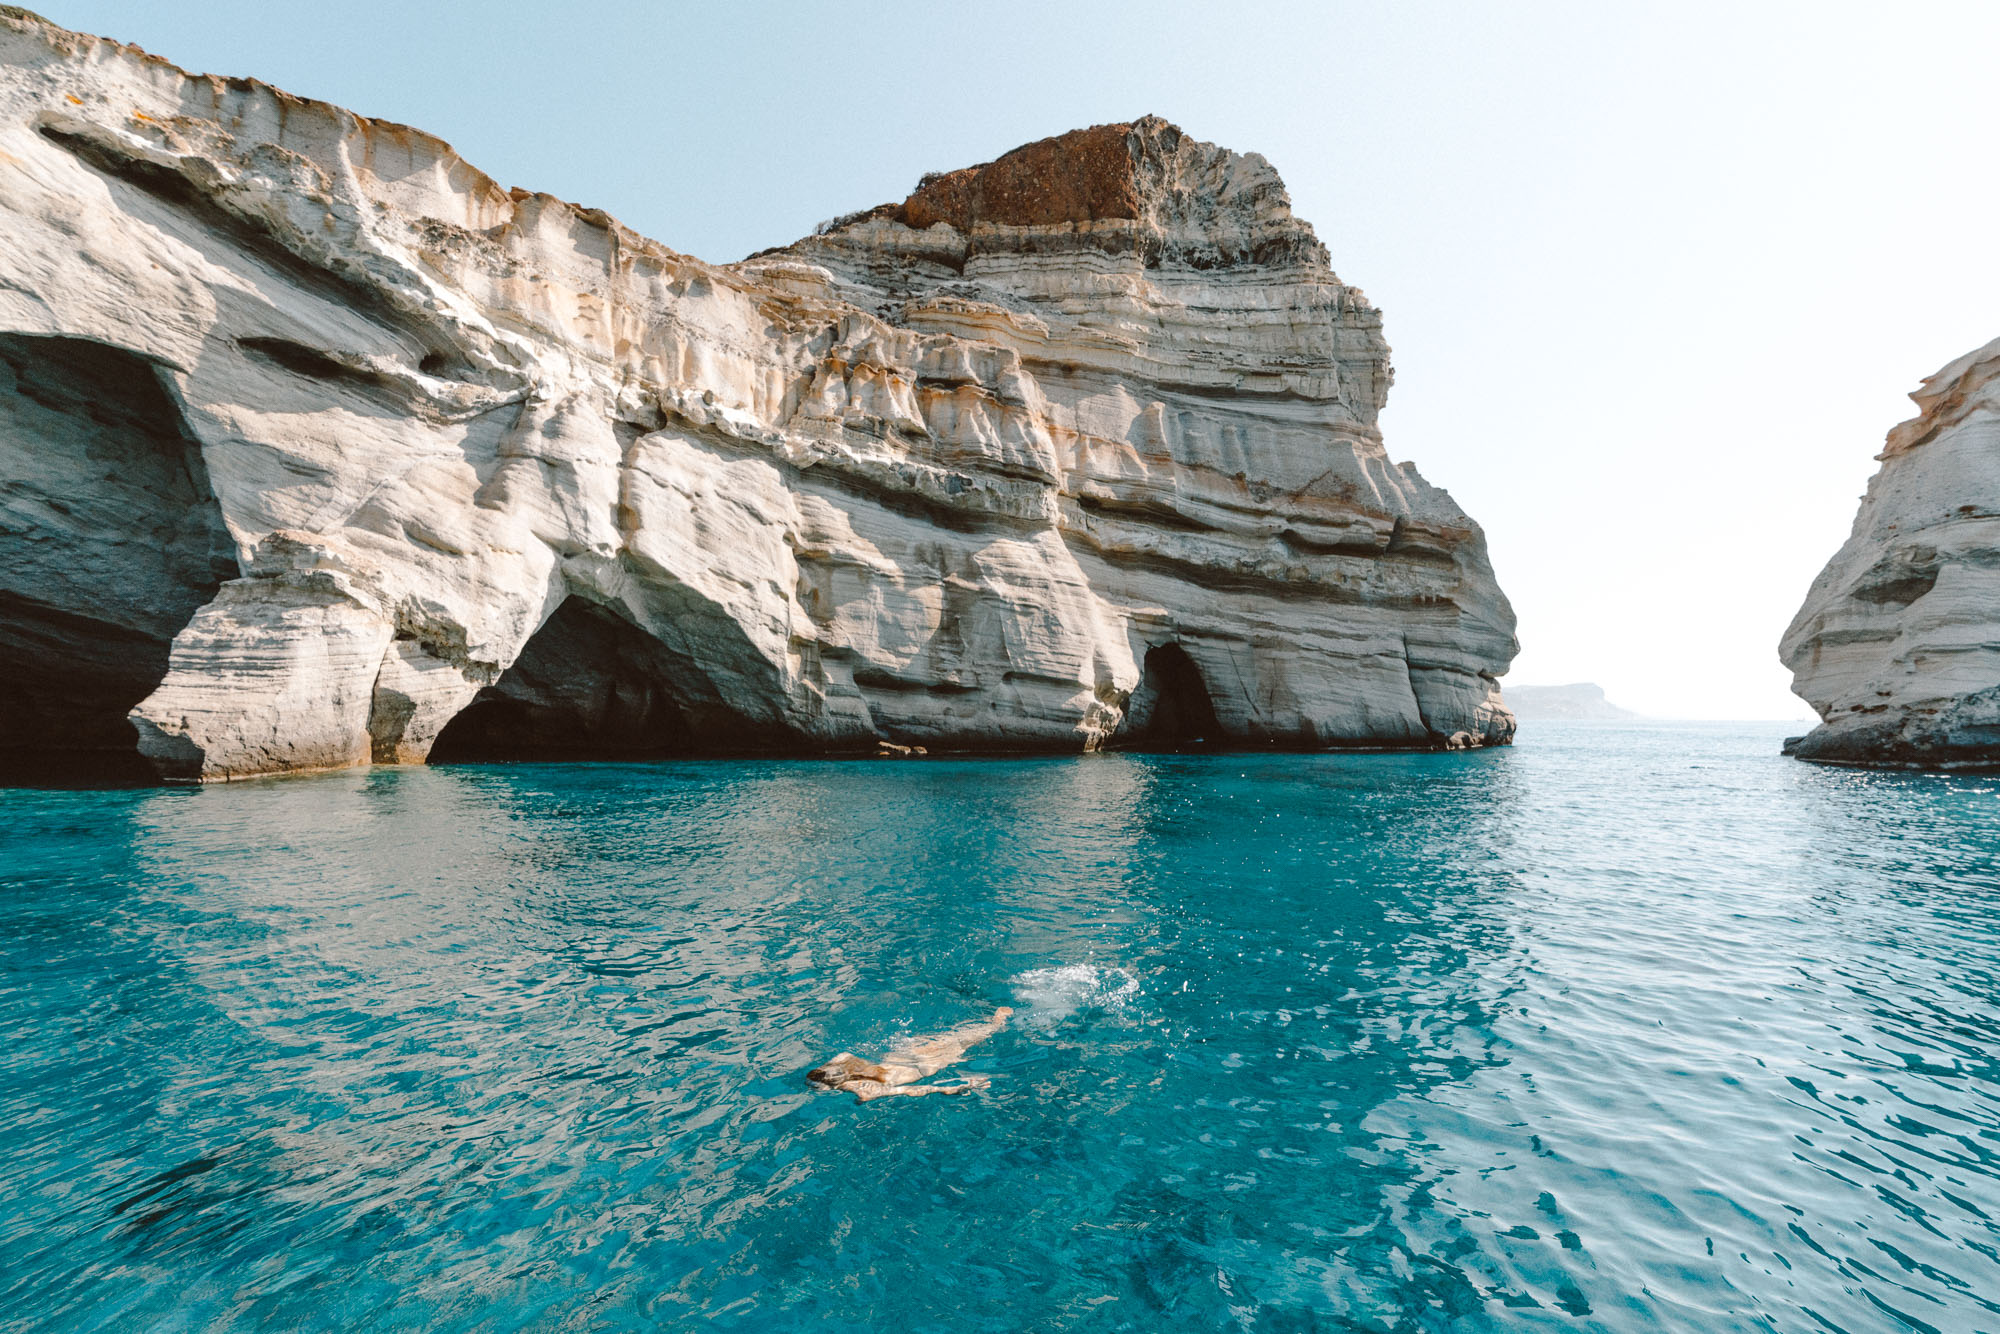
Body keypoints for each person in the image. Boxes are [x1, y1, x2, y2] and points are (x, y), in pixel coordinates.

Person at [806, 1006, 1012, 1102]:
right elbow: (841, 1056)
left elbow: (911, 1090)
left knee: (967, 1044)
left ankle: (996, 1024)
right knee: (958, 1035)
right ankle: (991, 1018)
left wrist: (952, 1089)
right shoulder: (842, 1061)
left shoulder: (862, 1090)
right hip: (904, 1053)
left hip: (923, 1067)